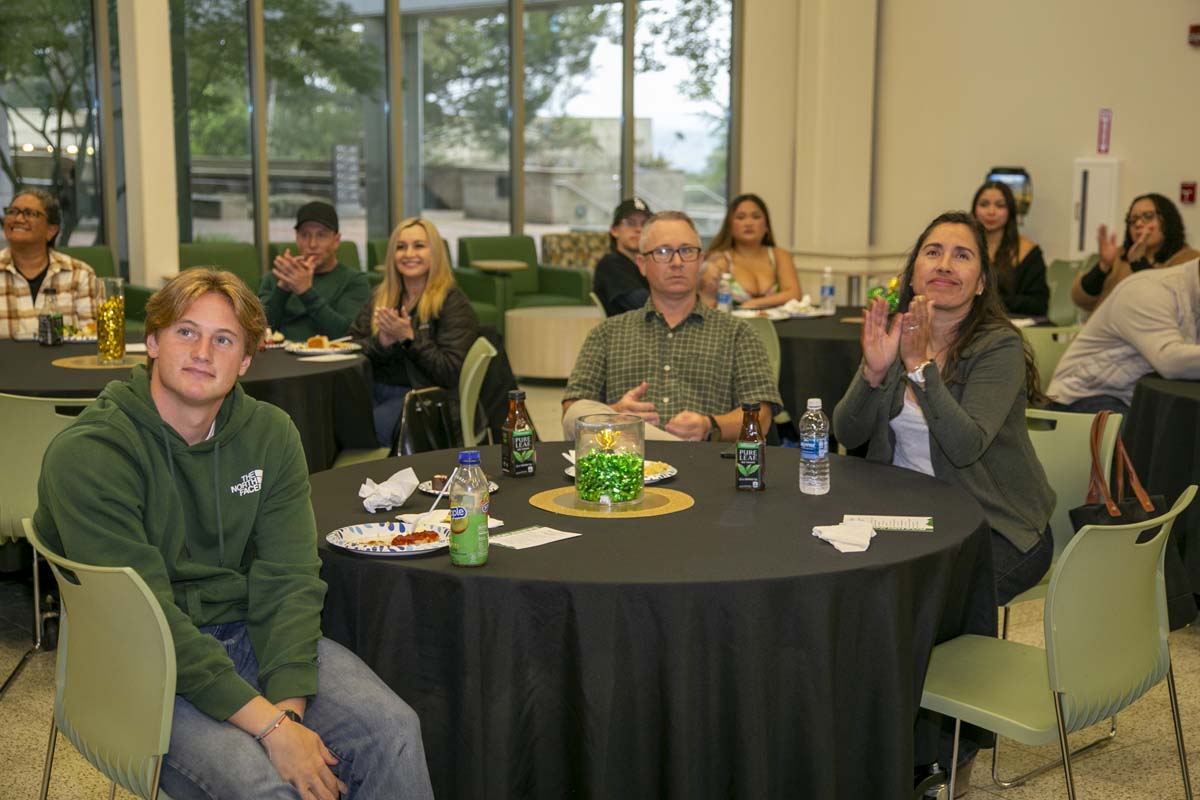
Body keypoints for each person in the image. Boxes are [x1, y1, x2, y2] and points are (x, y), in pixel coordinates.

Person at [35, 269, 433, 800]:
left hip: (246, 633)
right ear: (151, 341)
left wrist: (286, 715)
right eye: (185, 332)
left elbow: (289, 579)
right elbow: (146, 621)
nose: (203, 351)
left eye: (224, 339)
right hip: (138, 660)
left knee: (393, 732)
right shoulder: (90, 456)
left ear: (246, 359)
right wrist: (269, 729)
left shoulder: (270, 434)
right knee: (271, 788)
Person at [833, 211, 1054, 605]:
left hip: (994, 526)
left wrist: (920, 369)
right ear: (913, 273)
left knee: (914, 607)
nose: (945, 265)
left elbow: (965, 446)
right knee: (842, 586)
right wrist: (873, 372)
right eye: (933, 252)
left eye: (962, 256)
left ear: (982, 283)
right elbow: (848, 434)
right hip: (908, 515)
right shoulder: (898, 333)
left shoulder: (999, 347)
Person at [563, 210, 781, 442]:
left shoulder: (738, 334)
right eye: (663, 252)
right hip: (628, 466)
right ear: (642, 264)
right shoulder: (607, 334)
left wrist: (710, 425)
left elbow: (762, 417)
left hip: (703, 466)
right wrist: (615, 414)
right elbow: (571, 411)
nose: (677, 262)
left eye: (687, 251)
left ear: (700, 260)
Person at [350, 217, 479, 448]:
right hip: (374, 390)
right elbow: (352, 346)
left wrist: (410, 339)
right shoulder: (381, 296)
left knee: (366, 429)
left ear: (435, 253)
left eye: (419, 246)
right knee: (331, 420)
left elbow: (449, 372)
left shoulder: (452, 302)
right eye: (401, 247)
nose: (409, 254)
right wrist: (381, 342)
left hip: (423, 398)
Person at [1048, 258, 1200, 416]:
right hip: (1084, 395)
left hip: (1134, 398)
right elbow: (1170, 361)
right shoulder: (1149, 290)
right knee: (1153, 438)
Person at [257, 201, 370, 341]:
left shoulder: (354, 281)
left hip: (332, 360)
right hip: (280, 359)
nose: (312, 244)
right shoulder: (275, 278)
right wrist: (283, 289)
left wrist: (305, 292)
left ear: (336, 240)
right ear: (297, 239)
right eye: (305, 235)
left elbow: (346, 335)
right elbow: (258, 332)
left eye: (321, 235)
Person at [1070, 192, 1200, 313]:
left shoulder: (1189, 261)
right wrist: (1103, 266)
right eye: (1132, 220)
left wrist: (1139, 263)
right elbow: (1080, 299)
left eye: (1148, 217)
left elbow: (1166, 305)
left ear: (1168, 220)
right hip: (1106, 334)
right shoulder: (1119, 255)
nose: (1138, 224)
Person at [1, 188, 96, 339]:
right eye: (12, 211)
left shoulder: (80, 275)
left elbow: (92, 337)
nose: (18, 219)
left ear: (51, 230)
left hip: (64, 361)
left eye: (30, 213)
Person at [699, 193, 801, 310]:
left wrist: (755, 303)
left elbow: (794, 294)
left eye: (756, 217)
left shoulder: (780, 255)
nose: (748, 223)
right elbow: (706, 302)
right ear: (729, 226)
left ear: (766, 226)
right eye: (740, 217)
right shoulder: (720, 259)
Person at [970, 180, 1048, 317]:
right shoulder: (963, 247)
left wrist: (987, 301)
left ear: (1010, 211)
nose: (991, 211)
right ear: (974, 209)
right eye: (984, 204)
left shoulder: (1028, 252)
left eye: (1000, 205)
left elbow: (1038, 304)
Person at [592, 196, 652, 316]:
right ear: (614, 230)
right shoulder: (610, 264)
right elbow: (642, 304)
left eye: (645, 224)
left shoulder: (649, 263)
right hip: (629, 333)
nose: (639, 229)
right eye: (630, 223)